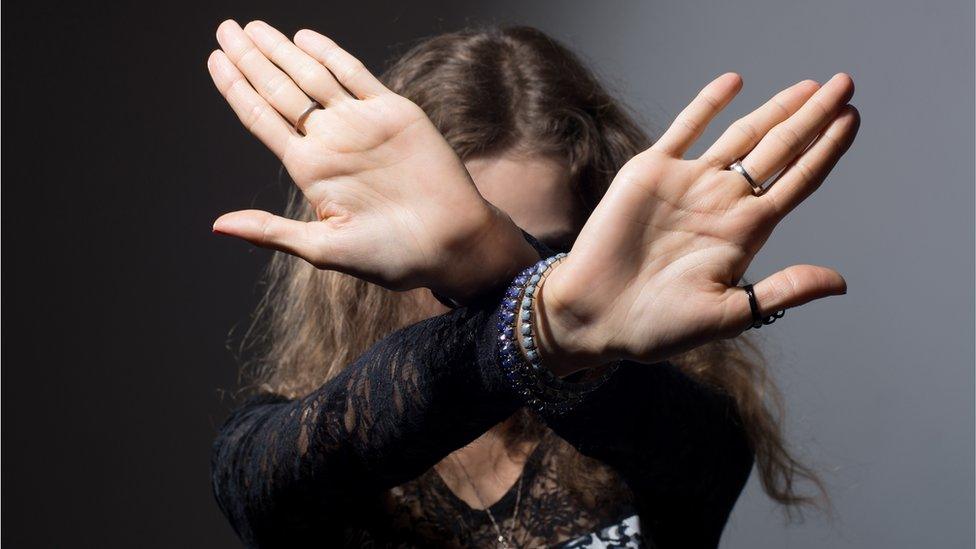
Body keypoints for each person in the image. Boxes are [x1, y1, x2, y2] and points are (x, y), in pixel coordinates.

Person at [206, 19, 859, 548]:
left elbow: (701, 455)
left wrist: (504, 272)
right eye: (439, 267)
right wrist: (534, 306)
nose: (466, 296)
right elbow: (272, 485)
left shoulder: (667, 422)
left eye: (548, 250)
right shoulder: (284, 449)